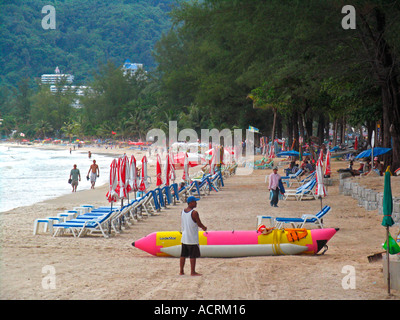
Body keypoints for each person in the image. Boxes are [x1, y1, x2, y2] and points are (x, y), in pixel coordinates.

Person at [180, 196, 207, 276]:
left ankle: (181, 271)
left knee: (183, 255)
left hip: (184, 236)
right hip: (192, 237)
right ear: (190, 203)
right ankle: (192, 272)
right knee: (192, 255)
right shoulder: (194, 213)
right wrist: (204, 228)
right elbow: (198, 223)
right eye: (195, 202)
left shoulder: (183, 211)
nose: (196, 203)